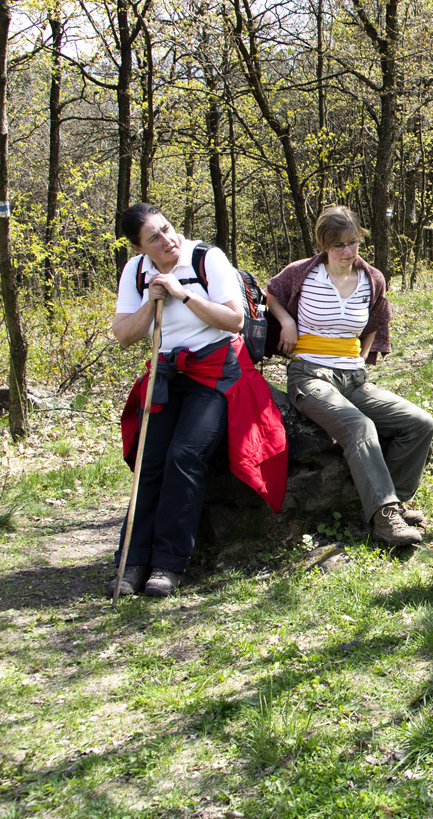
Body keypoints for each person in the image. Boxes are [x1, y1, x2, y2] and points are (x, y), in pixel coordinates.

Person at [111, 203, 288, 598]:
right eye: (153, 239)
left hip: (215, 373)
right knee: (149, 459)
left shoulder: (207, 258)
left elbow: (234, 321)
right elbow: (124, 335)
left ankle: (168, 564)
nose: (167, 240)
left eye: (167, 228)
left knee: (185, 455)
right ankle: (133, 560)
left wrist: (181, 294)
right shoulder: (135, 273)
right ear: (140, 249)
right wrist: (151, 300)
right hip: (167, 374)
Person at [266, 205, 433, 548]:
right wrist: (285, 321)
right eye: (338, 245)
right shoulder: (302, 273)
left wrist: (360, 358)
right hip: (309, 374)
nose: (347, 252)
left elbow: (376, 319)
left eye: (353, 242)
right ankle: (385, 520)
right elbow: (271, 293)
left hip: (353, 377)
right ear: (323, 245)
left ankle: (393, 502)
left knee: (419, 423)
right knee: (360, 426)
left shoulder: (371, 278)